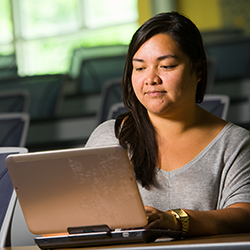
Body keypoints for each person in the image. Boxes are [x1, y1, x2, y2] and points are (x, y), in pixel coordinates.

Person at [85, 12, 250, 237]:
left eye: (167, 66)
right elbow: (82, 214)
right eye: (140, 68)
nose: (151, 79)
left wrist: (174, 220)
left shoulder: (235, 143)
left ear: (198, 70)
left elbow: (244, 215)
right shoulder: (110, 137)